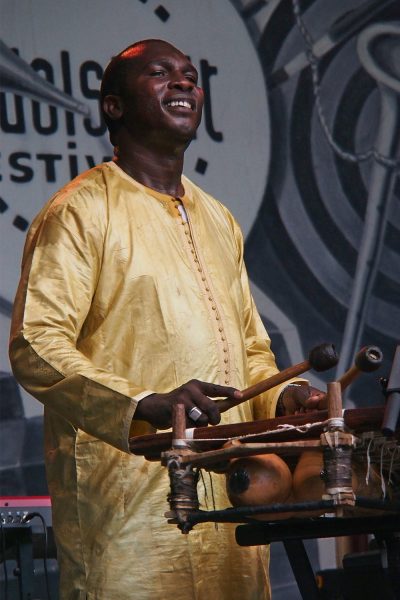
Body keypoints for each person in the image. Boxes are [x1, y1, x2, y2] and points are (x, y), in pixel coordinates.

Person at [9, 39, 324, 600]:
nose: (184, 84)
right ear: (114, 106)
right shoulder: (80, 210)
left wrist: (285, 397)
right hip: (129, 506)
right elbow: (36, 344)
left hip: (230, 497)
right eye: (161, 74)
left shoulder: (217, 218)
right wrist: (141, 405)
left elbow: (251, 346)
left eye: (190, 76)